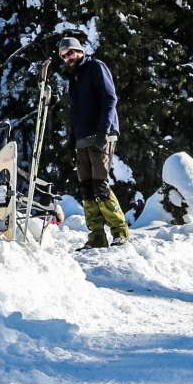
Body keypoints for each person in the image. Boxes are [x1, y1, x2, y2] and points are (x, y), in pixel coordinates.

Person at [60, 36, 130, 248]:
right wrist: (72, 140)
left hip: (101, 135)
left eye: (71, 52)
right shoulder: (73, 78)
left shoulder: (95, 67)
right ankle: (97, 237)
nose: (68, 57)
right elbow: (75, 112)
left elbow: (110, 98)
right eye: (64, 56)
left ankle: (120, 232)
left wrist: (103, 131)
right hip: (82, 138)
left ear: (80, 51)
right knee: (87, 188)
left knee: (100, 185)